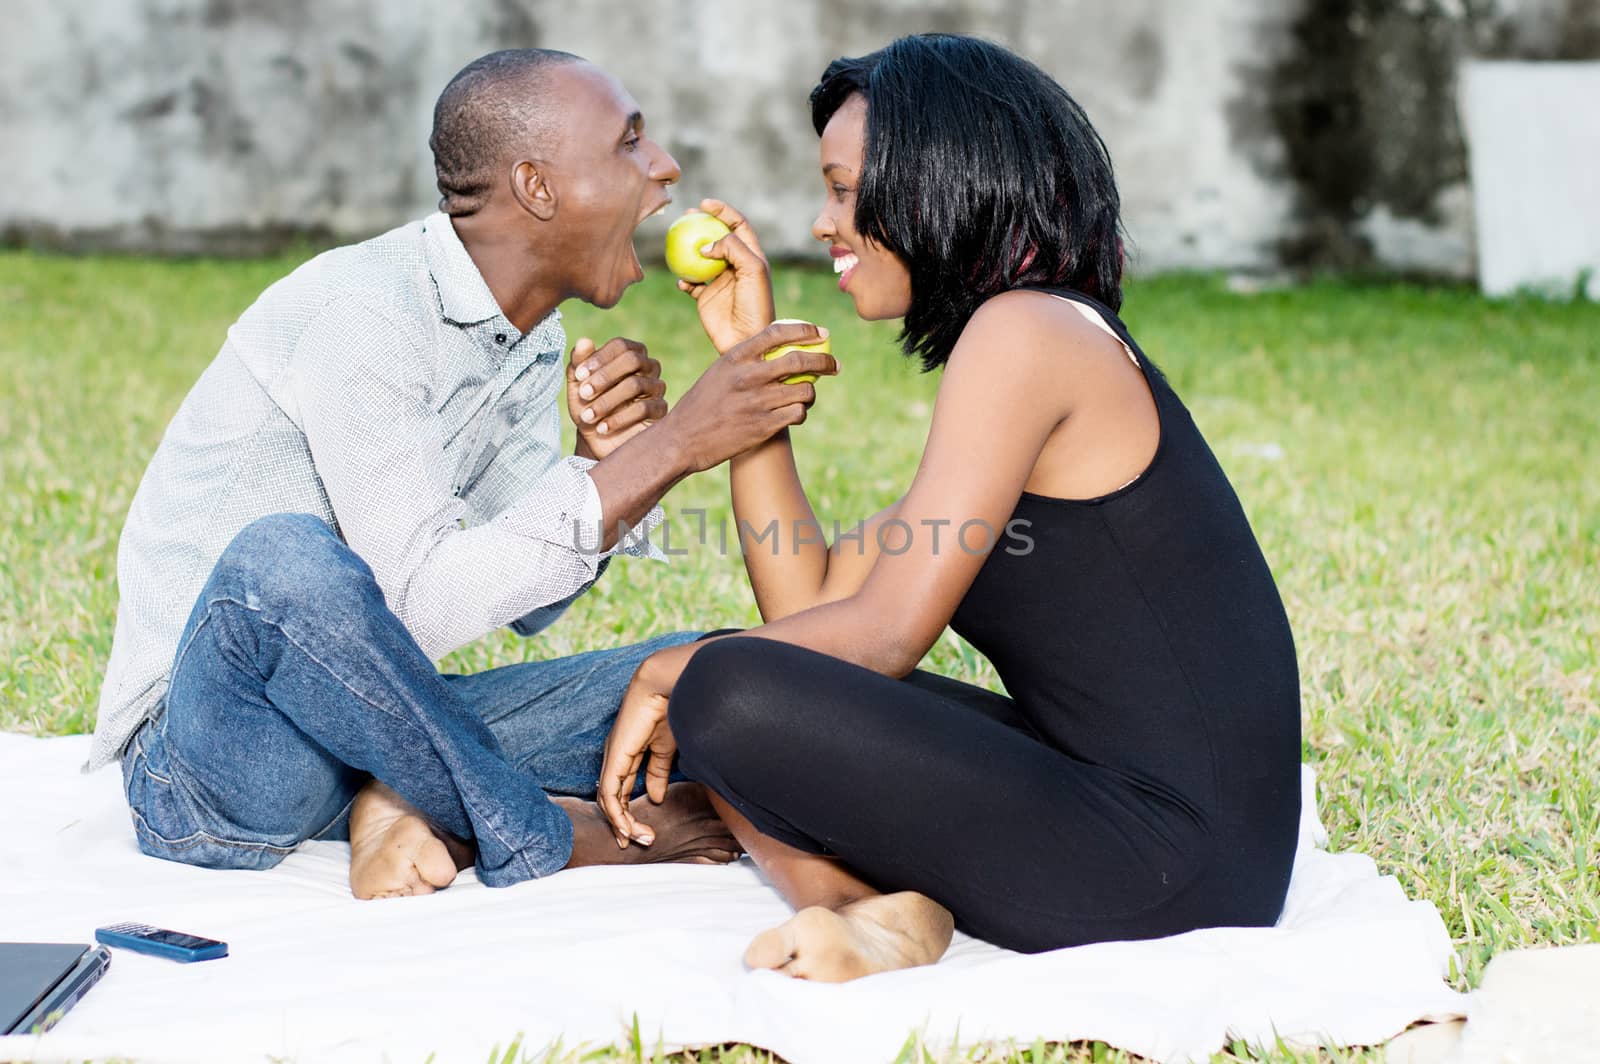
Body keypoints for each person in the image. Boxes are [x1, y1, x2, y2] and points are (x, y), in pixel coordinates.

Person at [595, 34, 1302, 981]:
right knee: (740, 675)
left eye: (845, 190)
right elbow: (812, 619)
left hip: (1173, 864)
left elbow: (880, 637)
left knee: (721, 684)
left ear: (934, 181)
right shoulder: (1030, 335)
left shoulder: (1027, 333)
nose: (822, 222)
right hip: (1152, 830)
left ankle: (854, 909)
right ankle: (866, 917)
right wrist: (750, 358)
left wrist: (668, 671)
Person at [91, 48, 838, 900]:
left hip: (369, 725)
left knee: (706, 668)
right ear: (538, 187)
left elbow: (531, 605)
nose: (665, 166)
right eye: (630, 143)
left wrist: (615, 462)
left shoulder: (531, 338)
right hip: (213, 760)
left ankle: (406, 795)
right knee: (281, 562)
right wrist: (670, 450)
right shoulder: (367, 312)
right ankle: (543, 830)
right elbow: (416, 599)